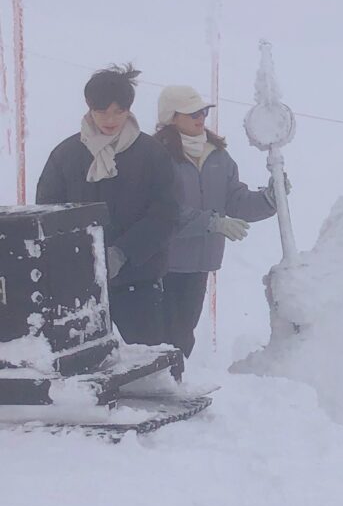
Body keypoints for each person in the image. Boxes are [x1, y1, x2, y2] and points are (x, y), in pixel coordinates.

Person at [36, 64, 176, 345]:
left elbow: (166, 213)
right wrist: (79, 258)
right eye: (102, 112)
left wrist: (122, 253)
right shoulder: (66, 154)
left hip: (138, 280)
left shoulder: (152, 154)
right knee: (83, 371)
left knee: (148, 369)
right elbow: (48, 212)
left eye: (118, 111)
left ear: (129, 109)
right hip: (78, 283)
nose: (110, 119)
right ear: (89, 108)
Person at [153, 84, 284, 358]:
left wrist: (269, 199)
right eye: (191, 113)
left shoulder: (217, 156)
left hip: (200, 262)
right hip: (163, 262)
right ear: (171, 117)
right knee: (163, 337)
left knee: (183, 335)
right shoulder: (156, 156)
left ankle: (173, 383)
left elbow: (235, 200)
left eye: (202, 111)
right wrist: (211, 223)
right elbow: (162, 211)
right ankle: (160, 387)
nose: (200, 117)